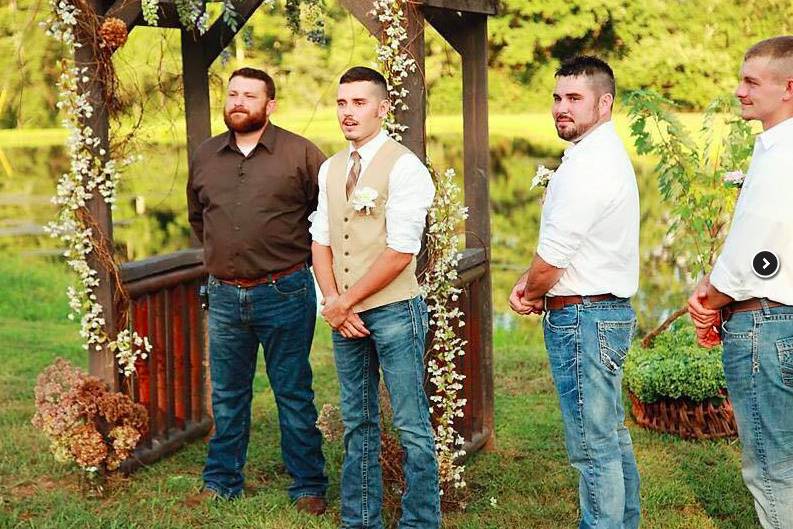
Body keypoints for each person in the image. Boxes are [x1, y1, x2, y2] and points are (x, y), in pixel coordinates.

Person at [508, 56, 641, 529]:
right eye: (557, 97)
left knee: (593, 448)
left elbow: (554, 256)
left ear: (604, 103)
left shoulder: (589, 165)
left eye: (574, 99)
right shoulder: (597, 153)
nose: (561, 108)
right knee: (609, 437)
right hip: (600, 312)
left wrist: (528, 290)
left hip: (584, 317)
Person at [187, 67, 328, 513]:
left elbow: (322, 220)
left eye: (250, 95)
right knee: (228, 395)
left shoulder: (302, 155)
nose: (238, 102)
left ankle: (308, 485)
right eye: (232, 94)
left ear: (270, 105)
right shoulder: (206, 155)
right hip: (224, 295)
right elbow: (198, 219)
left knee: (293, 391)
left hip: (284, 291)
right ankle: (222, 480)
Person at [309, 66, 440, 529]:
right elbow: (320, 239)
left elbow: (402, 252)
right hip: (345, 315)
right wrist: (331, 299)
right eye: (342, 103)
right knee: (357, 422)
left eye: (359, 103)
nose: (348, 113)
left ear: (383, 109)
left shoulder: (405, 167)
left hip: (394, 312)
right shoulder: (330, 168)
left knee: (411, 425)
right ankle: (359, 520)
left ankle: (420, 522)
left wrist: (347, 302)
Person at [688, 36, 793, 529]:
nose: (739, 91)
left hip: (767, 326)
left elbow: (758, 251)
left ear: (788, 88)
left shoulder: (779, 153)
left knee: (773, 468)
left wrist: (709, 299)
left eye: (752, 82)